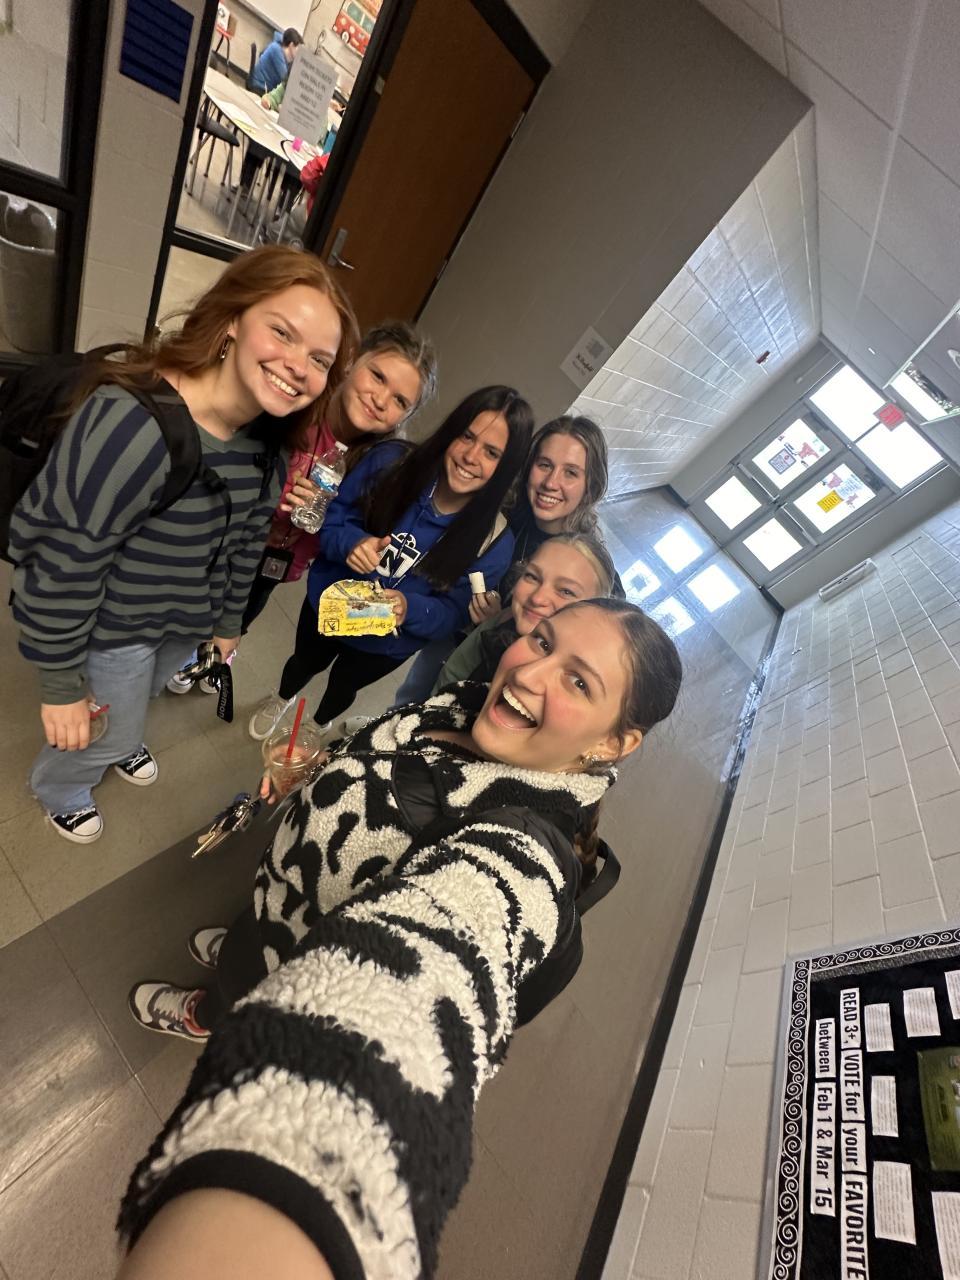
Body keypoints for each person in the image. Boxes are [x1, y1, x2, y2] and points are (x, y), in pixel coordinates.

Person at [120, 599, 683, 1280]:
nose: (530, 673)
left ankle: (207, 1013)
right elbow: (385, 752)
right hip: (280, 904)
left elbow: (418, 985)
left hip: (292, 965)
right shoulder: (470, 703)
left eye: (578, 681)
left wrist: (300, 1187)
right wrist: (322, 770)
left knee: (237, 991)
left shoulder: (521, 858)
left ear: (614, 743)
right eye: (541, 641)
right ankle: (236, 948)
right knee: (241, 942)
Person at [7, 245, 357, 844]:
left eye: (320, 359)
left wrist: (227, 624)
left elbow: (246, 541)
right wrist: (61, 687)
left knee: (137, 698)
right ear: (232, 320)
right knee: (109, 727)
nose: (299, 366)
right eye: (282, 332)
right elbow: (64, 561)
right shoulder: (132, 423)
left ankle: (120, 732)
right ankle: (60, 787)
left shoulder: (269, 444)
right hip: (115, 626)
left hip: (180, 620)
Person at [246, 386, 533, 740]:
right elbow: (333, 517)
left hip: (387, 643)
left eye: (491, 452)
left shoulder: (495, 541)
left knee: (344, 686)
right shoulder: (391, 464)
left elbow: (455, 612)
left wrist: (409, 607)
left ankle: (317, 725)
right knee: (304, 660)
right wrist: (353, 543)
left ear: (506, 467)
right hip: (331, 598)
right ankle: (282, 697)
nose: (471, 456)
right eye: (467, 436)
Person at [165, 320, 436, 695]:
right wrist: (274, 490)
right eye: (377, 376)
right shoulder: (295, 405)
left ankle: (216, 655)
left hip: (282, 562)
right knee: (196, 604)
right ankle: (184, 649)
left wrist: (338, 526)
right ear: (352, 360)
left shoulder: (383, 466)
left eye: (400, 401)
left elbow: (354, 536)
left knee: (246, 609)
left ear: (407, 415)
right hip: (227, 541)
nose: (380, 399)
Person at [390, 413, 616, 708]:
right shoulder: (505, 511)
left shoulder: (588, 561)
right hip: (451, 632)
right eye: (544, 465)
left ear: (591, 484)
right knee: (410, 696)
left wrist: (502, 621)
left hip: (500, 670)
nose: (551, 482)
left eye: (571, 473)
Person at [433, 532, 616, 691]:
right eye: (532, 577)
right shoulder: (501, 621)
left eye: (566, 591)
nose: (537, 598)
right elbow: (450, 677)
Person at [249, 26, 302, 94]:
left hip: (266, 88)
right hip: (259, 86)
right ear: (291, 45)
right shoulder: (276, 50)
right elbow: (285, 79)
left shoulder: (285, 56)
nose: (300, 52)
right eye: (298, 48)